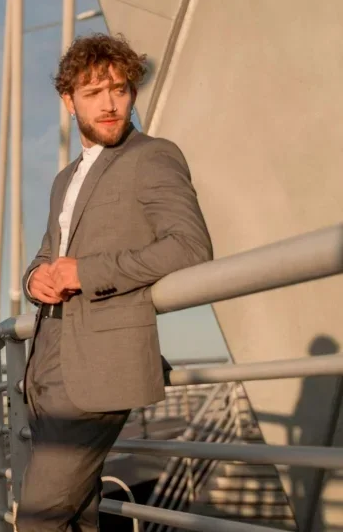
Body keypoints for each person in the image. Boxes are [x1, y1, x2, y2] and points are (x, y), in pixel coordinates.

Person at [17, 34, 213, 531]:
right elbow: (47, 254)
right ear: (69, 100)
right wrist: (35, 278)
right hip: (46, 360)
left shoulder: (153, 155)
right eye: (93, 92)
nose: (110, 104)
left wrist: (86, 272)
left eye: (120, 90)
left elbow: (190, 246)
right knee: (78, 516)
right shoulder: (66, 177)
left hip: (100, 367)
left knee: (39, 518)